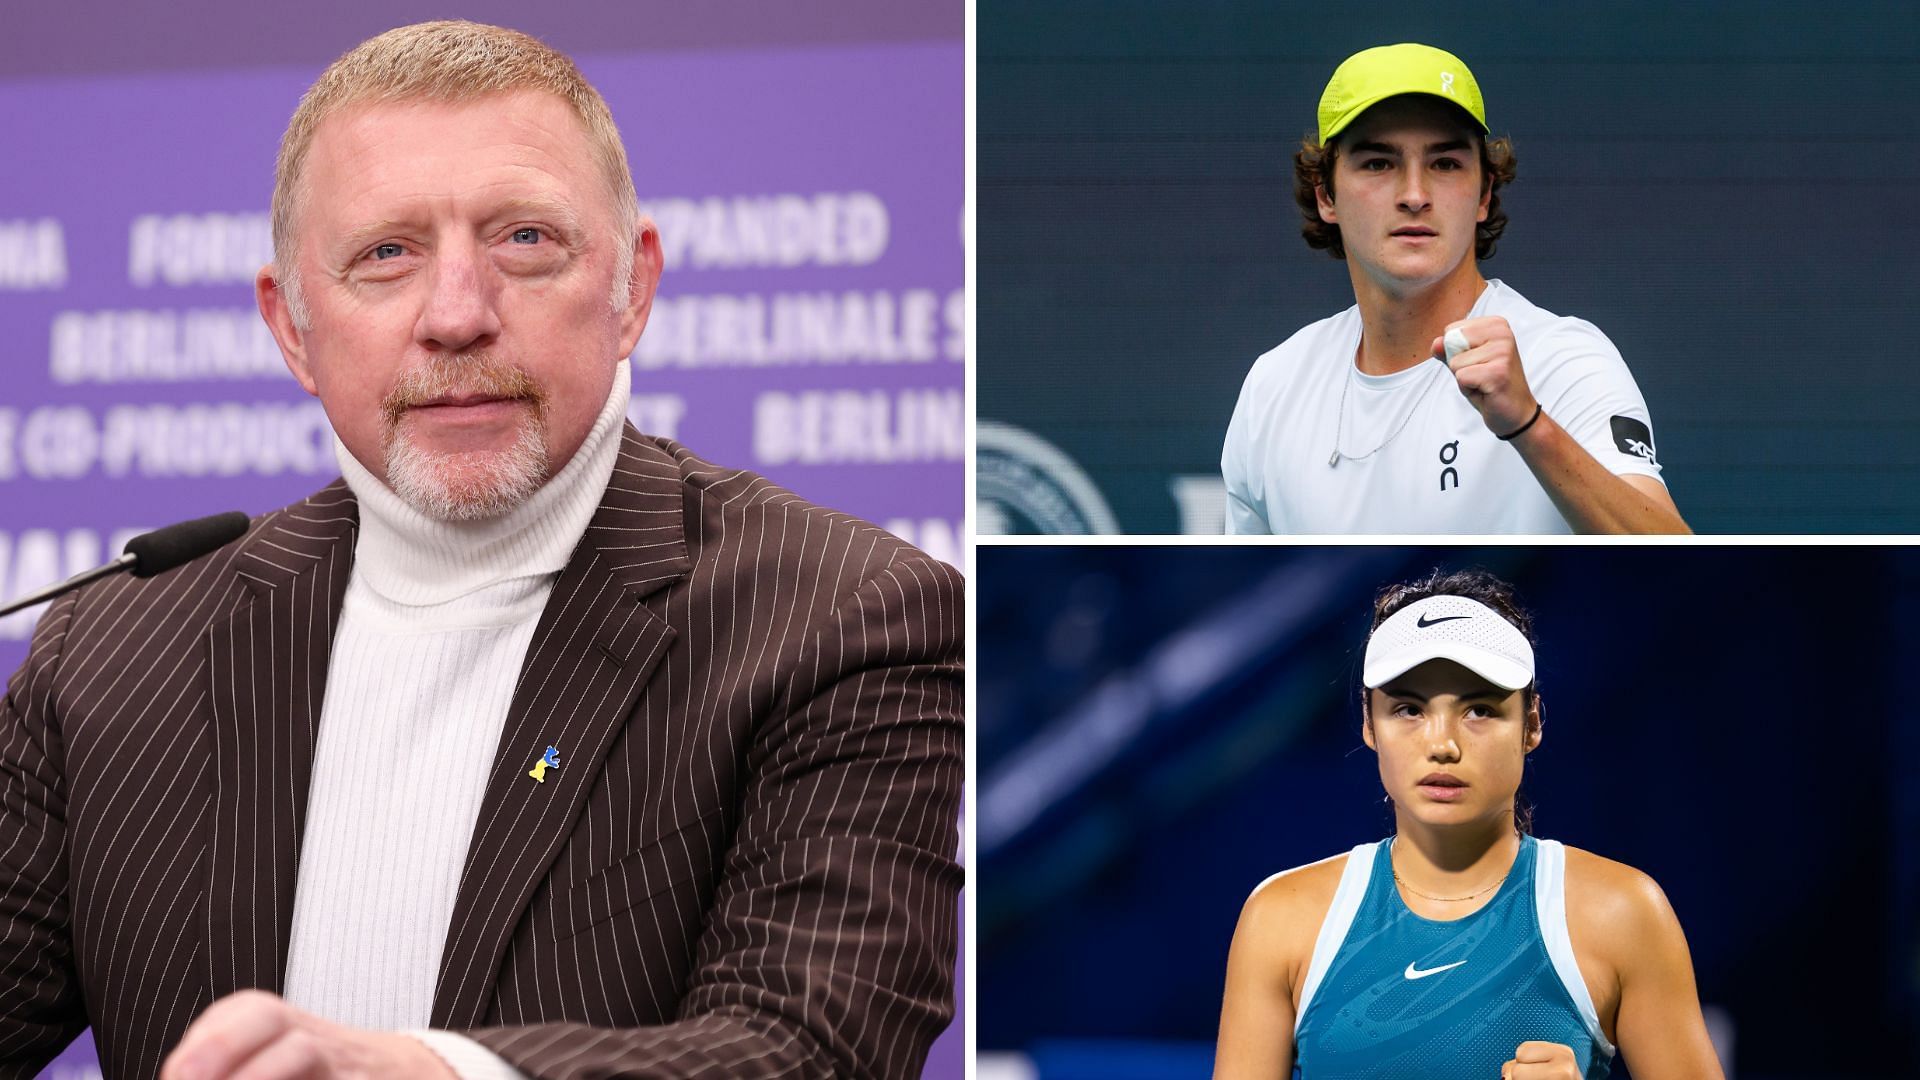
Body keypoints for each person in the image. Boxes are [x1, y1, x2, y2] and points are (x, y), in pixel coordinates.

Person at [0, 21, 961, 1080]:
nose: (457, 315)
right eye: (385, 255)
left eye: (524, 241)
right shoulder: (114, 650)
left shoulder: (842, 617)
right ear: (293, 327)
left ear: (632, 287)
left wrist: (431, 1075)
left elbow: (812, 1048)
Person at [1213, 570, 1722, 1079]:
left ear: (1532, 723)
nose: (1443, 744)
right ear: (1370, 724)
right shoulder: (1280, 920)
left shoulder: (1623, 913)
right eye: (1408, 709)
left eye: (1479, 709)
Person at [1221, 44, 1689, 535]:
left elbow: (1679, 573)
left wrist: (1530, 426)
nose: (1415, 196)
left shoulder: (1561, 360)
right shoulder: (1274, 386)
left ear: (1484, 193)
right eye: (1379, 163)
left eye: (1445, 164)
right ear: (1326, 196)